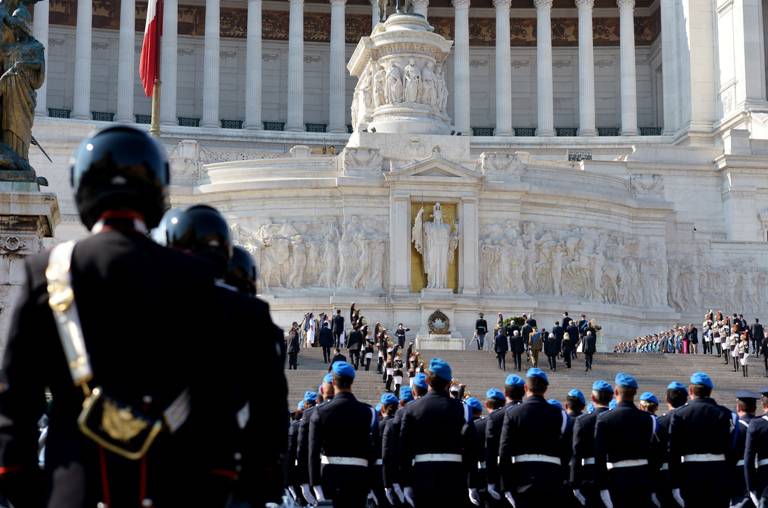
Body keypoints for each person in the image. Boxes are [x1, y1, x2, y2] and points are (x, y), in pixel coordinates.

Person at [0, 126, 258, 507]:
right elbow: (217, 401)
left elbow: (17, 399)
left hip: (73, 488)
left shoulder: (48, 271)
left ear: (82, 187)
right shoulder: (196, 278)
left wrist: (26, 485)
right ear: (157, 189)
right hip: (169, 487)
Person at [156, 204, 288, 506]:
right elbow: (271, 407)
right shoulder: (253, 314)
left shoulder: (153, 303)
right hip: (224, 463)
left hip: (158, 464)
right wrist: (268, 476)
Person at [399, 358, 480, 507]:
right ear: (449, 383)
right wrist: (472, 483)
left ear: (428, 381)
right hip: (454, 476)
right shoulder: (463, 409)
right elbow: (472, 449)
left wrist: (406, 483)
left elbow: (404, 449)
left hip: (422, 474)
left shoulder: (411, 409)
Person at [309, 361, 377, 508]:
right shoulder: (368, 411)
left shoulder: (321, 412)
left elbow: (313, 452)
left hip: (329, 475)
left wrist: (315, 484)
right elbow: (372, 451)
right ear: (352, 381)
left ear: (333, 382)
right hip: (358, 476)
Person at [499, 368, 569, 508]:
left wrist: (506, 486)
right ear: (545, 389)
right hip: (552, 479)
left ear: (526, 388)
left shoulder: (513, 413)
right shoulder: (560, 414)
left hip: (522, 478)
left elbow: (504, 451)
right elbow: (566, 450)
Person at [668, 372, 734, 507]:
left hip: (691, 474)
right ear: (710, 391)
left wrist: (675, 482)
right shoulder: (725, 414)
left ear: (691, 390)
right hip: (719, 472)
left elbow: (673, 452)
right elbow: (732, 447)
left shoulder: (679, 414)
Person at [593, 373, 657, 508]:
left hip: (616, 478)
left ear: (616, 392)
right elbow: (655, 453)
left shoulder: (605, 419)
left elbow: (599, 456)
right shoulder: (648, 419)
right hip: (643, 477)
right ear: (634, 393)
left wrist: (602, 485)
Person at [572, 381, 613, 508]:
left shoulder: (583, 421)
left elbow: (576, 453)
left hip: (589, 474)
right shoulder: (615, 418)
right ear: (612, 397)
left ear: (593, 397)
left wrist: (575, 482)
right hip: (614, 473)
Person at [486, 375, 525, 505]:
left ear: (505, 392)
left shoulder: (495, 417)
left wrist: (490, 481)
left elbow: (490, 451)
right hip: (527, 473)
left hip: (500, 475)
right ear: (524, 391)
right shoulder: (529, 413)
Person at [654, 381, 688, 508]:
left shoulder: (660, 422)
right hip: (689, 472)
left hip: (665, 474)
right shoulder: (691, 419)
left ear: (666, 399)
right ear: (686, 399)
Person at [731, 390, 757, 507]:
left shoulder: (738, 427)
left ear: (738, 407)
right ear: (755, 408)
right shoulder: (761, 424)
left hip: (739, 476)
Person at [374, 393, 399, 507]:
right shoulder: (399, 425)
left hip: (378, 469)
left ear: (383, 407)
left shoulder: (377, 425)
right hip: (397, 469)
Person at [745, 388, 768, 507]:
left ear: (763, 404)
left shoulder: (757, 424)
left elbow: (749, 458)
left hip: (765, 479)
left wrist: (751, 487)